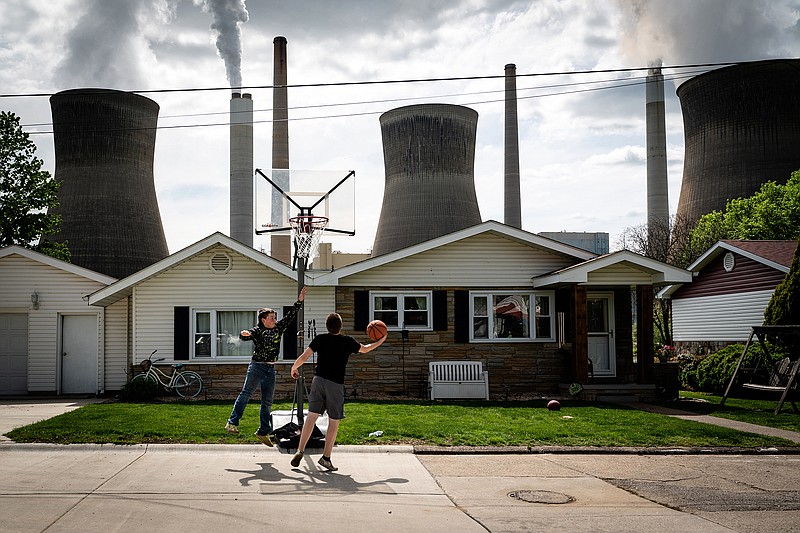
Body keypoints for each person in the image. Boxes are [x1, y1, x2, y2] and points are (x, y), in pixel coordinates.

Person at [289, 312, 386, 471]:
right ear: (340, 326)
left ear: (327, 326)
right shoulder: (347, 341)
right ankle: (326, 458)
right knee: (333, 421)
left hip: (318, 380)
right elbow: (366, 349)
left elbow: (305, 356)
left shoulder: (320, 339)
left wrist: (294, 367)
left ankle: (300, 450)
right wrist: (380, 340)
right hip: (335, 384)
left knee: (311, 416)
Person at [225, 286, 307, 445]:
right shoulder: (257, 331)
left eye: (275, 317)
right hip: (257, 367)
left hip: (270, 369)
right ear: (263, 319)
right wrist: (244, 334)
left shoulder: (278, 328)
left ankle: (263, 431)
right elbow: (246, 336)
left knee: (267, 402)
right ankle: (232, 422)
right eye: (271, 317)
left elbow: (291, 315)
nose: (275, 320)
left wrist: (300, 300)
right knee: (246, 393)